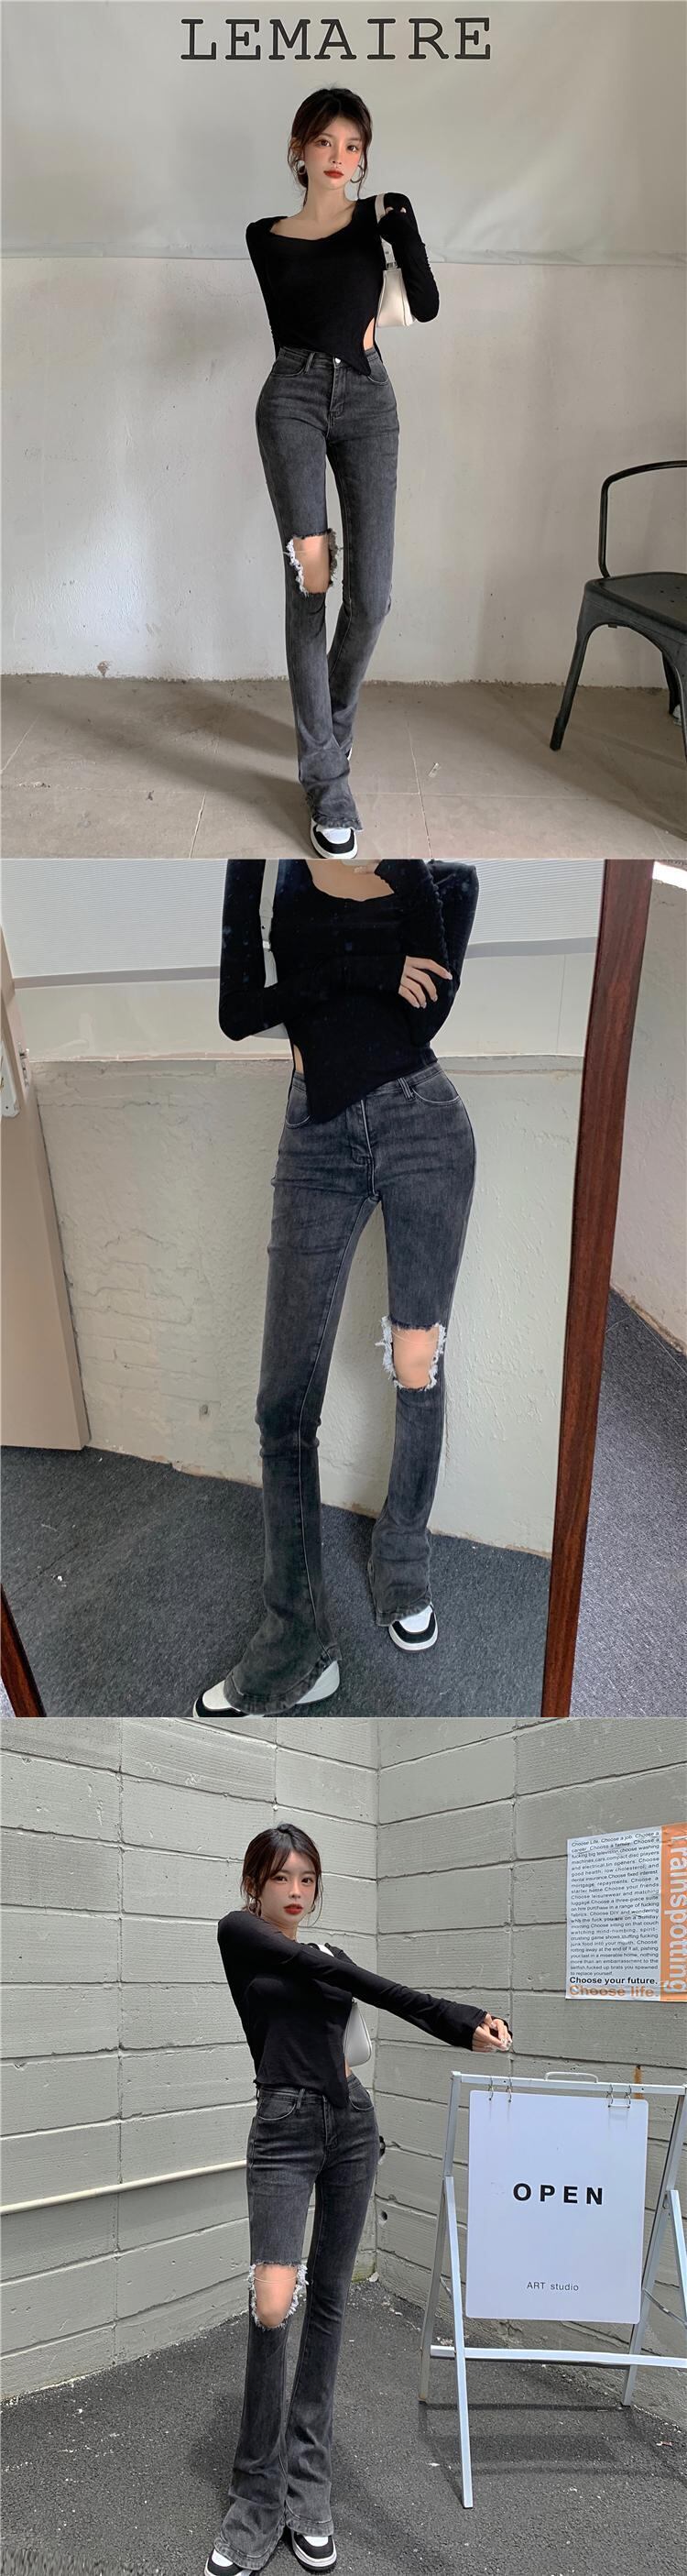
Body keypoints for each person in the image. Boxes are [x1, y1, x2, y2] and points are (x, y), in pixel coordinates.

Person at [193, 857, 479, 1722]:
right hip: (313, 1135)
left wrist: (356, 954)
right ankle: (295, 1644)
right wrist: (368, 968)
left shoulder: (438, 876)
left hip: (422, 1124)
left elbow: (422, 1013)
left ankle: (403, 1560)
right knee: (283, 1402)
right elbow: (240, 1011)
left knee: (418, 1365)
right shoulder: (263, 866)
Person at [204, 1821, 512, 2575]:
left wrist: (460, 2024)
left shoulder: (330, 1953)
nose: (297, 1891)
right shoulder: (242, 1935)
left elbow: (350, 2004)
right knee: (273, 2302)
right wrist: (451, 2017)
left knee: (333, 2299)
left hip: (350, 2122)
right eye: (283, 1877)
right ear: (254, 1883)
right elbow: (358, 1984)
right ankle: (256, 2496)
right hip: (283, 2126)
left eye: (308, 1878)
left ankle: (308, 2485)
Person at [246, 86, 439, 858]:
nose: (339, 157)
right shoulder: (264, 237)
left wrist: (403, 223)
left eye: (353, 145)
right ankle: (326, 777)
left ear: (363, 157)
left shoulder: (376, 220)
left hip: (368, 399)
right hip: (292, 400)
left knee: (374, 595)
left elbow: (424, 303)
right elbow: (307, 315)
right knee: (311, 584)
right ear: (299, 149)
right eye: (325, 142)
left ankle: (328, 727)